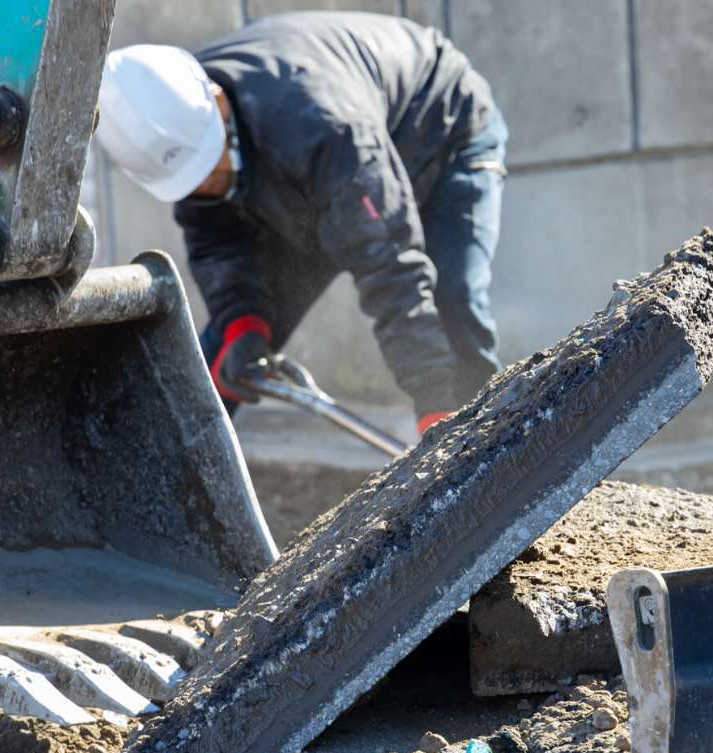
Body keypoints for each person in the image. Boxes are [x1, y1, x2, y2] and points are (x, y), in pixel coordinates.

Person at [95, 11, 507, 435]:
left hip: (443, 132)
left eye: (212, 171)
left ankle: (484, 441)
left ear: (217, 104)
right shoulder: (184, 127)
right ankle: (167, 470)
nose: (210, 189)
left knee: (452, 298)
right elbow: (219, 247)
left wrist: (437, 405)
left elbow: (390, 266)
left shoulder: (322, 124)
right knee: (228, 352)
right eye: (195, 185)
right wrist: (245, 324)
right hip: (309, 176)